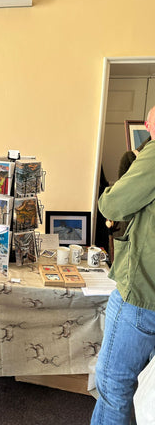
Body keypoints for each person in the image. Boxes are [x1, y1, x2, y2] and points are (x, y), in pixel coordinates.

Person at [91, 106, 155, 424]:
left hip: (143, 292)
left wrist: (109, 193)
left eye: (150, 120)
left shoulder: (153, 154)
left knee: (114, 384)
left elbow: (112, 204)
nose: (146, 126)